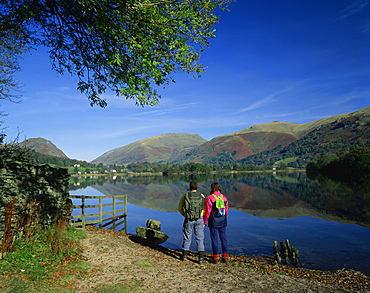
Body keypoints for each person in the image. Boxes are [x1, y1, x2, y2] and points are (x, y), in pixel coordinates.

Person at [178, 180, 205, 264]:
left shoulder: (185, 195)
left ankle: (185, 256)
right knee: (200, 238)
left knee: (187, 237)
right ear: (197, 187)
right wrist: (201, 215)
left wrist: (186, 215)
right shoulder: (201, 195)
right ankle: (200, 258)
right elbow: (204, 208)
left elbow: (180, 208)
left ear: (189, 187)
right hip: (199, 219)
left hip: (188, 219)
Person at [203, 182, 229, 264]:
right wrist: (225, 218)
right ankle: (225, 257)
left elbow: (207, 212)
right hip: (222, 220)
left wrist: (204, 222)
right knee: (224, 238)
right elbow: (226, 210)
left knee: (214, 239)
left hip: (213, 221)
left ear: (212, 188)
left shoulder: (210, 198)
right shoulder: (224, 198)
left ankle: (215, 257)